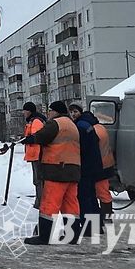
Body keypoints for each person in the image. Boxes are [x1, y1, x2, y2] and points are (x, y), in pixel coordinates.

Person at [21, 100, 81, 245]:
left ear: (56, 111)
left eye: (50, 111)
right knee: (70, 205)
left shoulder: (55, 123)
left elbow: (41, 136)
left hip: (57, 170)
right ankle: (71, 236)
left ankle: (44, 236)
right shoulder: (72, 125)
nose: (49, 113)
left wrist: (28, 139)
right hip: (73, 170)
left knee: (49, 204)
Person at [69, 103, 102, 237]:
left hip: (85, 166)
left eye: (75, 112)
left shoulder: (80, 127)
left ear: (80, 112)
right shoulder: (88, 124)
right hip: (93, 165)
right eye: (71, 112)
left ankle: (88, 227)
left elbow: (80, 148)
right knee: (91, 197)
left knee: (84, 197)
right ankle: (96, 226)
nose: (72, 115)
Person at [85, 108, 117, 229]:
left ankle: (106, 216)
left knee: (101, 192)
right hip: (107, 164)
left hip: (99, 166)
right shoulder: (101, 127)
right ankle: (106, 215)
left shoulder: (94, 131)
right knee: (104, 192)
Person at [21, 102, 47, 209]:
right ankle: (40, 202)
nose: (23, 113)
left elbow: (37, 136)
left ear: (29, 111)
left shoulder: (36, 121)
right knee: (38, 180)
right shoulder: (35, 120)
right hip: (36, 155)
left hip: (38, 155)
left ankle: (40, 203)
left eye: (25, 110)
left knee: (38, 180)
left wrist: (27, 140)